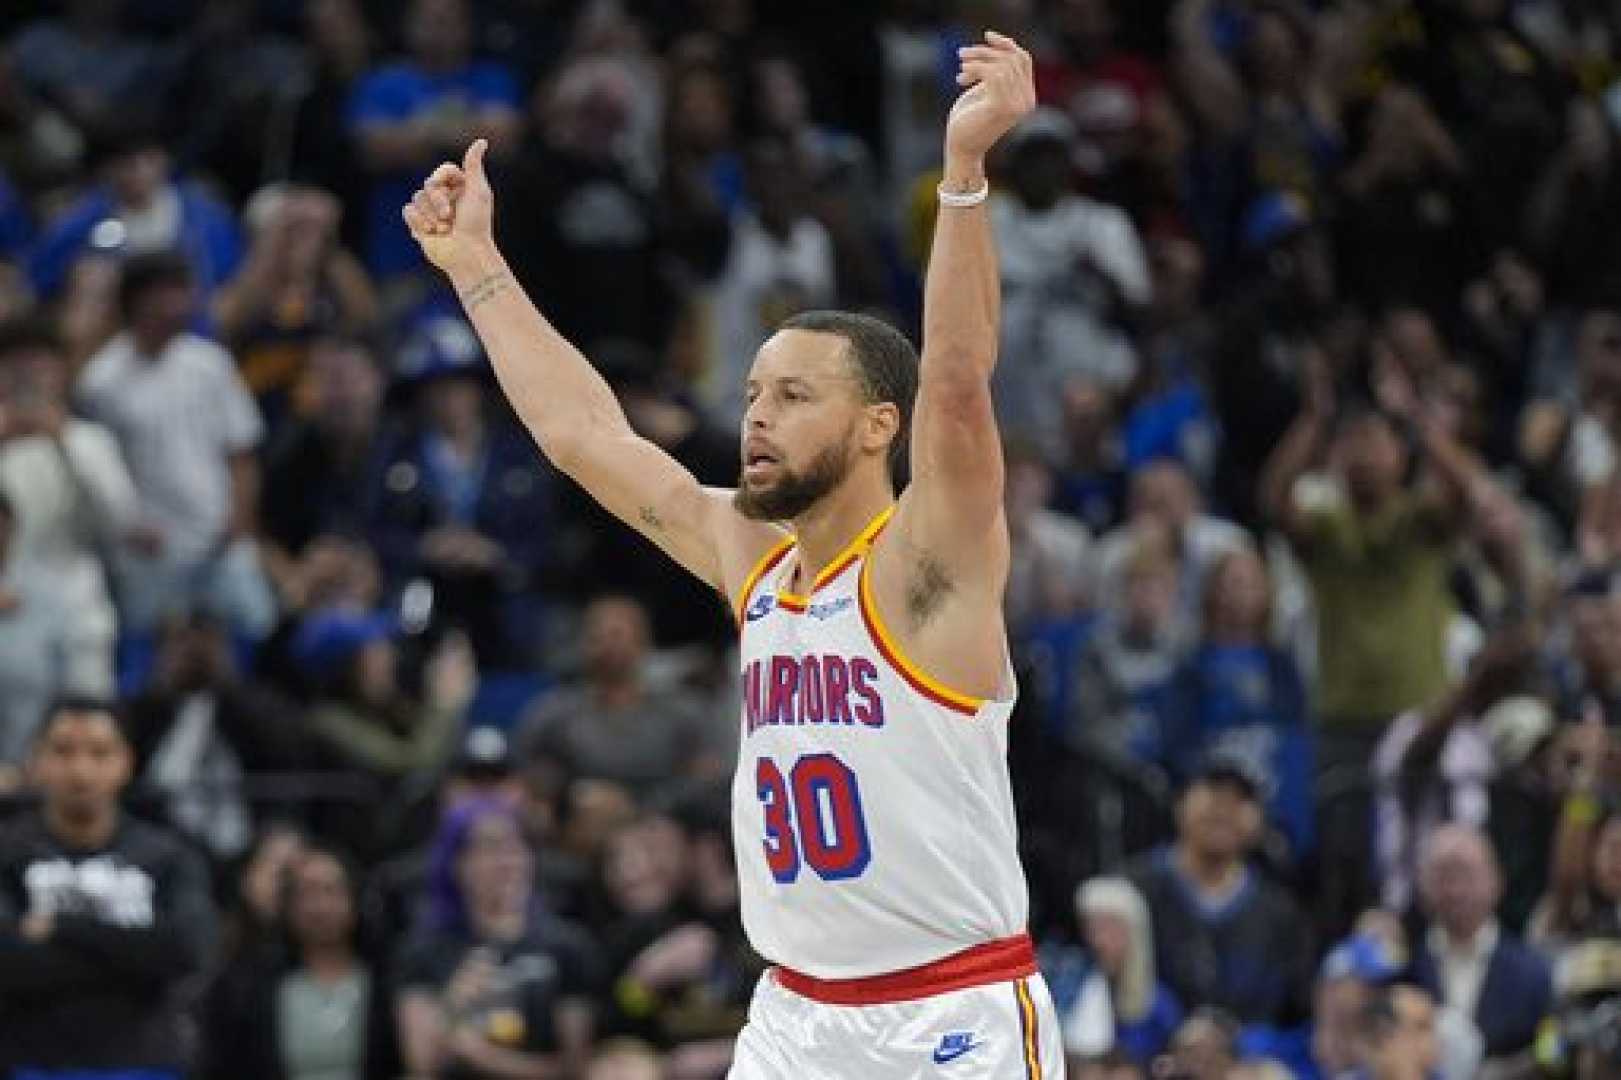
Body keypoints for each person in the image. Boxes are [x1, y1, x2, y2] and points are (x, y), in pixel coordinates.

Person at [401, 29, 1065, 1075]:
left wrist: (966, 176)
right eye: (753, 393)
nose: (756, 417)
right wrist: (475, 264)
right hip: (794, 1018)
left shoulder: (927, 567)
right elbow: (585, 437)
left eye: (795, 397)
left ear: (876, 427)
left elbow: (953, 380)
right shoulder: (749, 557)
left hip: (948, 1015)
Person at [0, 697, 218, 1076]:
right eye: (63, 751)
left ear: (126, 762)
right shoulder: (7, 853)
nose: (81, 770)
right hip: (32, 1065)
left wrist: (60, 928)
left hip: (149, 1064)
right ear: (36, 761)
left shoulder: (167, 856)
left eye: (100, 753)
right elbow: (7, 961)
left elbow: (187, 951)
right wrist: (136, 956)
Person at [77, 252, 276, 640]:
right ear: (137, 301)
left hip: (219, 542)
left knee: (255, 630)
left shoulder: (209, 364)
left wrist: (239, 524)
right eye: (167, 294)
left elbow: (241, 452)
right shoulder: (101, 380)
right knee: (153, 652)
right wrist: (127, 526)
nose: (179, 303)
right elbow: (97, 468)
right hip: (148, 551)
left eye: (182, 292)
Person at [394, 799, 599, 1080]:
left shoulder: (567, 946)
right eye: (489, 848)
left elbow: (576, 1069)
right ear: (456, 864)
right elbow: (422, 1067)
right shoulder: (423, 950)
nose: (507, 859)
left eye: (516, 846)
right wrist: (452, 1004)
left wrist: (481, 1056)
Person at [1126, 752, 1314, 1027]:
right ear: (1180, 803)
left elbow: (1295, 1016)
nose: (1225, 810)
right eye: (1213, 793)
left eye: (1241, 799)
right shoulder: (1130, 891)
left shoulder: (1280, 912)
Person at [516, 594, 720, 799]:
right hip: (582, 815)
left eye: (616, 636)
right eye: (596, 638)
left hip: (664, 818)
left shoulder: (682, 711)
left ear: (643, 642)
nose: (607, 646)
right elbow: (523, 778)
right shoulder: (553, 712)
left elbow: (708, 776)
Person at [1408, 823, 1552, 1061]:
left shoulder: (1534, 972)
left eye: (1465, 873)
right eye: (1443, 875)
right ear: (1423, 884)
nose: (1455, 890)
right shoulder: (1405, 969)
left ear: (1496, 880)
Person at [1045, 876, 1182, 1070]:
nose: (1097, 940)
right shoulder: (1065, 987)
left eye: (1109, 928)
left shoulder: (1159, 1003)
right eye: (1091, 927)